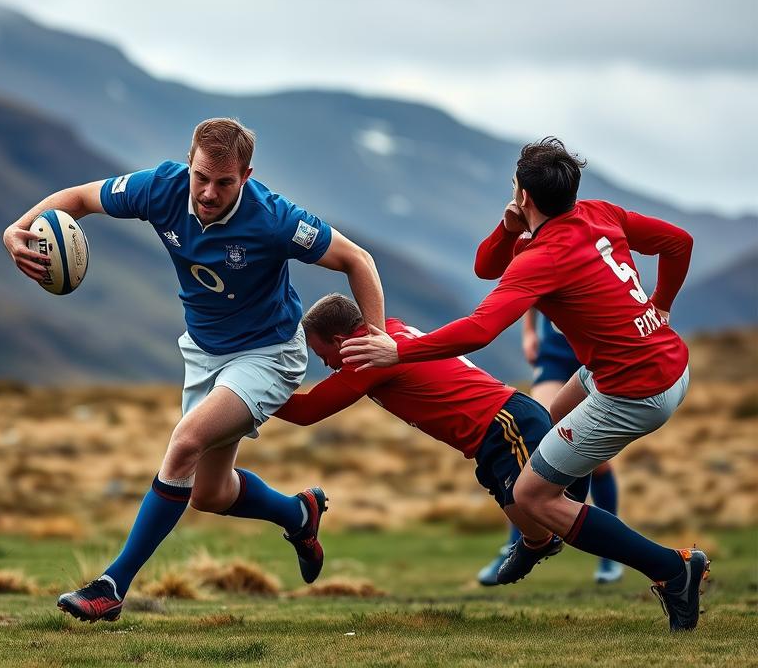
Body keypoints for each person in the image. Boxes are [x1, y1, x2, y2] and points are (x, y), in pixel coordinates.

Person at [2, 118, 385, 622]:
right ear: (189, 163)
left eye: (224, 182)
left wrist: (378, 341)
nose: (208, 192)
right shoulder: (159, 188)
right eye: (201, 176)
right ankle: (299, 514)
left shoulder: (274, 218)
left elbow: (358, 260)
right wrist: (18, 228)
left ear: (246, 175)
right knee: (209, 493)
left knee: (182, 444)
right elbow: (76, 199)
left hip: (268, 353)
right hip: (204, 351)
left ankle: (111, 586)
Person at [340, 137, 707, 632]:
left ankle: (671, 571)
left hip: (634, 391)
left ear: (524, 194)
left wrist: (398, 350)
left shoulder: (544, 258)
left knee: (534, 496)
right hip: (666, 362)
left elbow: (480, 329)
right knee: (549, 420)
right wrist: (661, 304)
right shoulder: (599, 213)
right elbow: (677, 242)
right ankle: (553, 526)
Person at [273, 293, 590, 558]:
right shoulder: (391, 331)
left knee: (543, 510)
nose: (325, 363)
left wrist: (246, 392)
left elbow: (306, 411)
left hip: (505, 422)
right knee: (534, 515)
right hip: (495, 428)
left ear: (340, 340)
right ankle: (540, 541)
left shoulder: (367, 358)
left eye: (321, 353)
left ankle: (620, 546)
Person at [477, 309, 624, 586]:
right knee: (536, 446)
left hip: (597, 349)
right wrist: (529, 331)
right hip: (556, 351)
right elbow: (530, 277)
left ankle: (610, 555)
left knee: (592, 456)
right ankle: (518, 546)